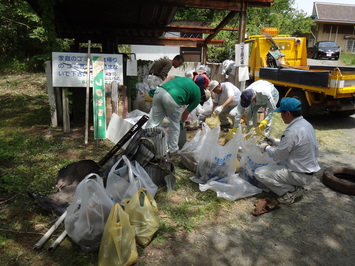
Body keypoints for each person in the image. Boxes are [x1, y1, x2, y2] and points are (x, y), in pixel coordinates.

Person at [254, 97, 321, 204]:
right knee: (272, 163)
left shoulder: (292, 131)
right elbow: (293, 144)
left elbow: (278, 155)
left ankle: (290, 192)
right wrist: (275, 141)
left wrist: (266, 147)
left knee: (260, 173)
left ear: (288, 113)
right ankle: (293, 185)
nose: (281, 116)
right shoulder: (306, 124)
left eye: (281, 113)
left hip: (299, 174)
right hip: (306, 171)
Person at [146, 76, 202, 155]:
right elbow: (185, 113)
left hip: (159, 91)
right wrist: (181, 122)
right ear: (203, 97)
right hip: (172, 97)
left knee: (153, 122)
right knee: (175, 125)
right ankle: (173, 150)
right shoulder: (198, 96)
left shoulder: (187, 80)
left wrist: (159, 86)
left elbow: (171, 76)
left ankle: (146, 144)